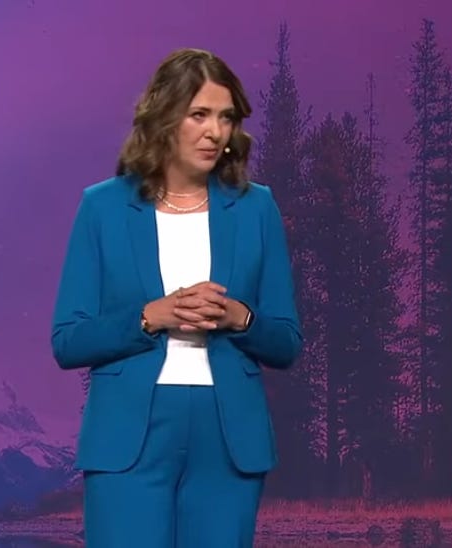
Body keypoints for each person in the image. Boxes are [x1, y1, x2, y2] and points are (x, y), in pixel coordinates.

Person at [50, 47, 302, 547]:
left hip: (228, 438)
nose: (215, 132)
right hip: (129, 434)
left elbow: (286, 342)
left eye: (226, 117)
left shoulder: (256, 208)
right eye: (199, 115)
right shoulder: (102, 206)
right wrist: (151, 316)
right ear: (164, 118)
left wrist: (239, 317)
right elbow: (68, 341)